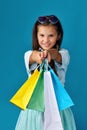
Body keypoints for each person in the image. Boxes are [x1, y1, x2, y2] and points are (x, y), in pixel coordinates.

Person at [15, 15, 76, 130]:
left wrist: (50, 54)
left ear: (58, 36)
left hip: (57, 108)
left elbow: (57, 56)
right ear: (36, 36)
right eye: (42, 35)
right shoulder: (29, 54)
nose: (46, 40)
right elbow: (33, 57)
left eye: (51, 36)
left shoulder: (64, 54)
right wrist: (40, 56)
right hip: (34, 109)